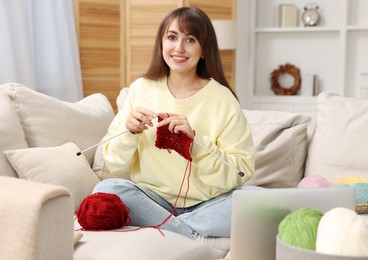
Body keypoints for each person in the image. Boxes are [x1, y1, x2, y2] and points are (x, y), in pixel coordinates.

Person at [93, 6, 255, 249]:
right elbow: (114, 164)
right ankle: (195, 238)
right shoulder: (141, 89)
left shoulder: (223, 99)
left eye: (190, 40)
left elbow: (241, 172)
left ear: (203, 50)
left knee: (259, 199)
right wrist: (130, 132)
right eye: (172, 37)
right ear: (161, 43)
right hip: (151, 201)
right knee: (106, 189)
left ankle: (172, 230)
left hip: (208, 205)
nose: (179, 48)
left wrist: (196, 143)